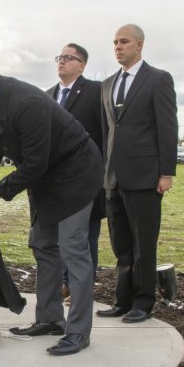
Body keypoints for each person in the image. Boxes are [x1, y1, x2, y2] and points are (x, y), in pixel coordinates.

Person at [0, 62, 102, 356]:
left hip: (75, 176)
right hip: (46, 179)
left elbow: (35, 163)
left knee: (73, 250)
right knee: (44, 245)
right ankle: (50, 319)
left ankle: (79, 332)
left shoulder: (26, 103)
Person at [96, 24, 178, 323]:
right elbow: (107, 133)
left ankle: (143, 302)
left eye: (124, 41)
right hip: (113, 179)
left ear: (140, 45)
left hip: (145, 177)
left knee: (144, 242)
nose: (118, 47)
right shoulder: (107, 84)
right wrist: (103, 172)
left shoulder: (157, 79)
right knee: (121, 244)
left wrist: (166, 172)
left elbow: (167, 128)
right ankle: (123, 300)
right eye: (115, 42)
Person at [45, 43, 104, 303]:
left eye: (69, 58)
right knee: (61, 237)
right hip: (56, 183)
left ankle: (82, 286)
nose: (62, 62)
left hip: (86, 180)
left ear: (82, 65)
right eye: (60, 57)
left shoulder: (95, 92)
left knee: (85, 236)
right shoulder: (47, 96)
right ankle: (65, 283)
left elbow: (104, 134)